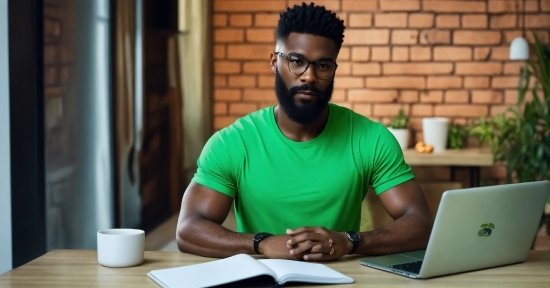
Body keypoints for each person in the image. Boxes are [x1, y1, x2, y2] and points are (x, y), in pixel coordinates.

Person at [176, 2, 432, 261]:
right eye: (296, 61)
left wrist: (350, 241)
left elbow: (420, 224)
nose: (309, 76)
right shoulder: (233, 142)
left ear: (333, 70)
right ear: (275, 62)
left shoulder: (371, 139)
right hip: (262, 278)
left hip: (342, 276)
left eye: (323, 65)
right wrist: (261, 244)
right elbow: (188, 230)